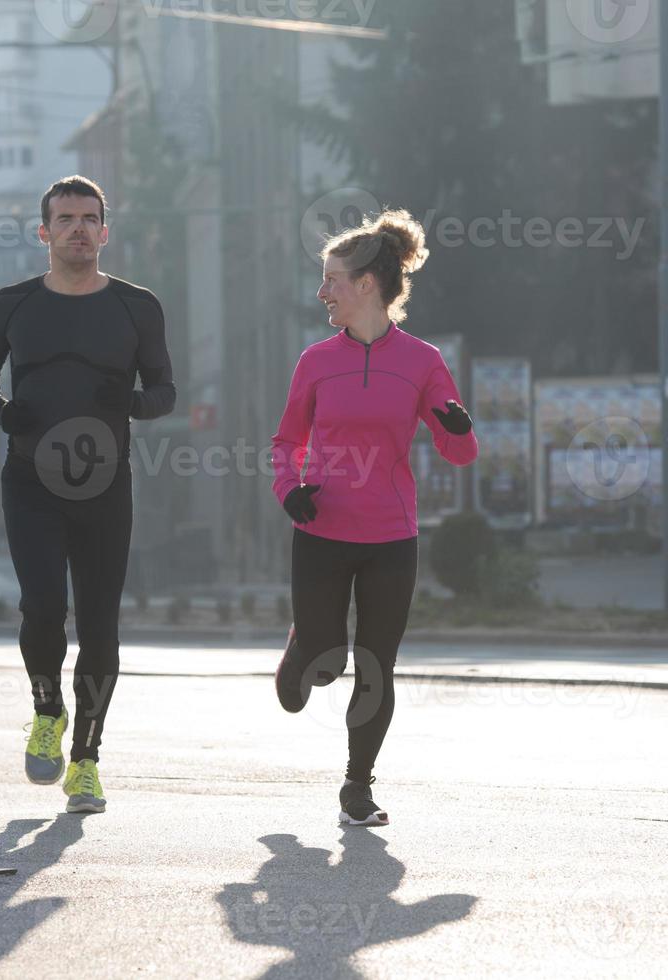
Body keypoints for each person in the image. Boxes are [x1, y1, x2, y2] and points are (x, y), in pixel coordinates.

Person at [0, 175, 176, 813]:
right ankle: (46, 710)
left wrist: (134, 403)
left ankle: (85, 759)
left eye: (90, 218)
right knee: (40, 606)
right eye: (66, 219)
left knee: (101, 623)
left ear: (105, 233)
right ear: (44, 232)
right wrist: (4, 413)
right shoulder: (12, 304)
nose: (78, 228)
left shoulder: (138, 306)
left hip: (105, 485)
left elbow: (165, 391)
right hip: (29, 479)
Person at [270, 209, 478, 827]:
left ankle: (357, 788)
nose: (322, 291)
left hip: (391, 535)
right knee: (326, 664)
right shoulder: (315, 361)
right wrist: (290, 490)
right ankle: (304, 647)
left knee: (376, 664)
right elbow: (286, 443)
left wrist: (457, 425)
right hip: (321, 531)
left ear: (366, 284)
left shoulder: (421, 361)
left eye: (331, 278)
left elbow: (459, 452)